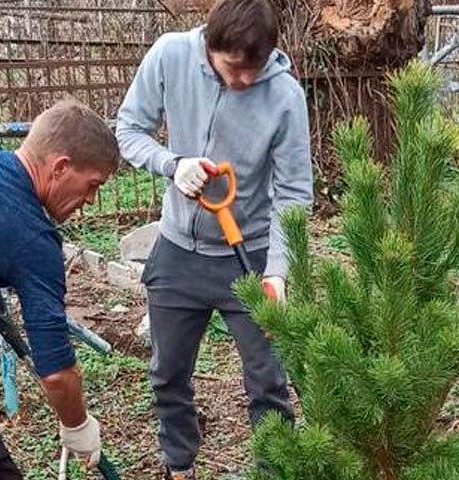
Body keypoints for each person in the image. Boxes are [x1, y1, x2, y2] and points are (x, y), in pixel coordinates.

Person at [115, 0, 313, 477]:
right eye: (232, 68)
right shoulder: (170, 55)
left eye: (254, 70)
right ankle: (179, 465)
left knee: (268, 381)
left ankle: (276, 469)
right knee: (167, 374)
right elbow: (128, 129)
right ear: (210, 44)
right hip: (178, 252)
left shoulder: (285, 97)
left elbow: (293, 193)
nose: (243, 81)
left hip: (250, 254)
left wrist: (279, 272)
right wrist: (172, 163)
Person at [0, 99, 118, 479]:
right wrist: (78, 427)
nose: (91, 200)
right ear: (61, 167)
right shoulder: (32, 239)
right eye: (92, 184)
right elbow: (57, 372)